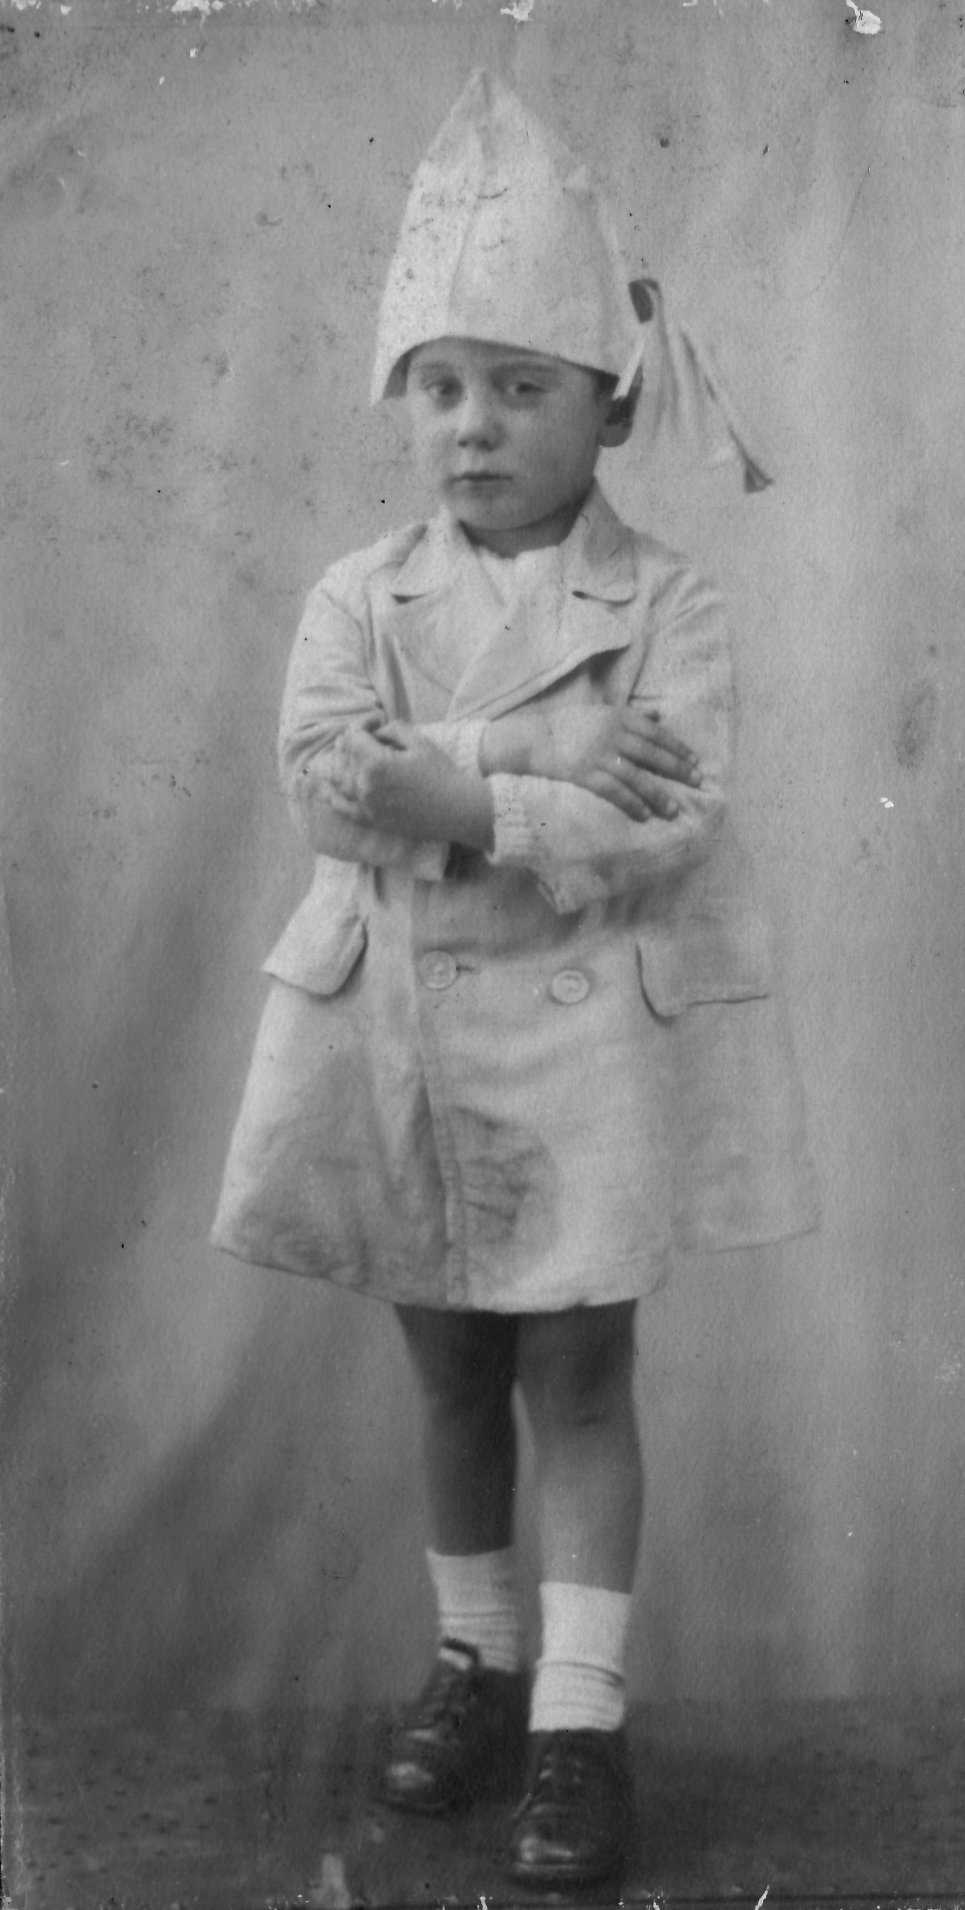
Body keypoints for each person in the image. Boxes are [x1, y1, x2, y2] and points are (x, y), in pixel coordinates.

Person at [212, 71, 818, 1891]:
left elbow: (664, 820)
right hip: (398, 1027)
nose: (470, 426)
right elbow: (325, 778)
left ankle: (577, 1711)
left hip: (580, 1041)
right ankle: (474, 1658)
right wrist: (524, 765)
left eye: (519, 387)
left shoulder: (666, 604)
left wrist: (450, 791)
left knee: (577, 1362)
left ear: (606, 404)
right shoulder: (359, 595)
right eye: (439, 386)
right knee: (448, 1362)